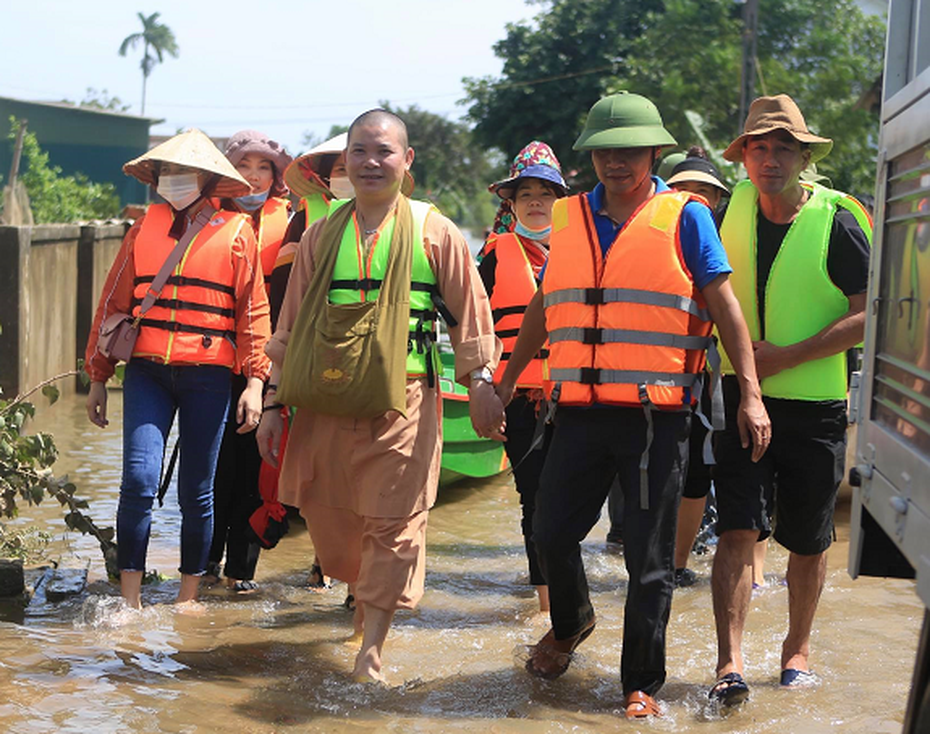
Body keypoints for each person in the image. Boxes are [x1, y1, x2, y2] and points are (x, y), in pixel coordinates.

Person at [496, 92, 770, 719]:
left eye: (630, 151)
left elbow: (725, 308)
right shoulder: (567, 217)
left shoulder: (686, 217)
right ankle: (571, 623)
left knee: (649, 557)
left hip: (657, 418)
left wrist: (748, 391)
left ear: (654, 152)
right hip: (577, 411)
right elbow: (544, 307)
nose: (616, 162)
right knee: (550, 531)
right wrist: (509, 380)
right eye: (604, 152)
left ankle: (639, 682)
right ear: (591, 155)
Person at [256, 109, 503, 683]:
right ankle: (363, 605)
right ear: (345, 161)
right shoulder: (321, 235)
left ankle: (371, 650)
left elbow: (472, 314)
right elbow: (289, 327)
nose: (371, 162)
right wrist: (272, 403)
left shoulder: (431, 230)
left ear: (406, 160)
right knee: (329, 515)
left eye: (384, 151)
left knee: (393, 524)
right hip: (325, 400)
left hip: (405, 399)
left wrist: (483, 384)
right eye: (360, 152)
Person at [708, 94, 872, 704]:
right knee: (737, 530)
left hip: (816, 406)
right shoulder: (726, 212)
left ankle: (796, 649)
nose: (769, 158)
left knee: (808, 539)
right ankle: (730, 663)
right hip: (738, 396)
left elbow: (868, 316)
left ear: (803, 156)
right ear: (744, 155)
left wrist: (786, 354)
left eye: (782, 147)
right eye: (758, 146)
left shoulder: (838, 220)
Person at [84, 129, 272, 609]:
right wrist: (98, 376)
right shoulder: (141, 229)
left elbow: (252, 313)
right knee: (139, 481)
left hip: (208, 377)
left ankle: (187, 601)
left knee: (197, 491)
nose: (174, 180)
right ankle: (130, 603)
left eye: (183, 173)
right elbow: (112, 305)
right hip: (147, 372)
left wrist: (255, 381)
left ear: (208, 180)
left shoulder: (237, 233)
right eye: (167, 172)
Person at [478, 141, 568, 616]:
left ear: (560, 200)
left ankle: (567, 590)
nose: (535, 201)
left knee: (572, 498)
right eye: (525, 193)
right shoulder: (493, 257)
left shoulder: (584, 249)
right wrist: (485, 387)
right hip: (520, 394)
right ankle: (547, 604)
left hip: (577, 394)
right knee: (535, 496)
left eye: (546, 193)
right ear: (509, 203)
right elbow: (474, 326)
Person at [204, 130, 293, 593]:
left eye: (264, 168)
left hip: (273, 364)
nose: (254, 176)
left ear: (277, 175)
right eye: (245, 166)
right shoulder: (207, 219)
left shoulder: (293, 223)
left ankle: (242, 571)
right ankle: (203, 564)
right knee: (214, 466)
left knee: (260, 469)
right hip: (217, 361)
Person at [665, 151, 730, 587]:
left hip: (709, 376)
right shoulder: (652, 234)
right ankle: (649, 554)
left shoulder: (724, 242)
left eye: (705, 192)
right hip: (657, 375)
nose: (695, 199)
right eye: (686, 190)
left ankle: (677, 562)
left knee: (697, 474)